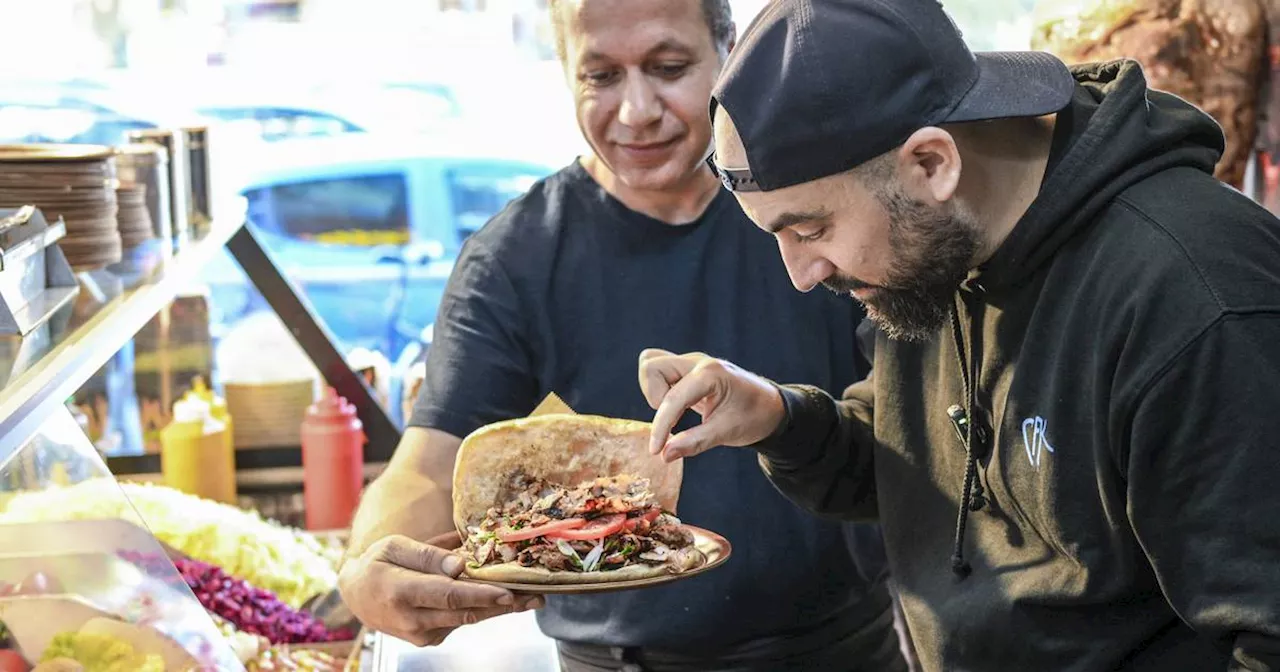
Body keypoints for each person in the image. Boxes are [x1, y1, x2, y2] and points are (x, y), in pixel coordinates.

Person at [637, 0, 1280, 670]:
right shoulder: (936, 246)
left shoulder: (1200, 303)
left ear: (933, 162)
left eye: (811, 229)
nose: (801, 273)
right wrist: (773, 416)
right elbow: (914, 468)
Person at [336, 0, 911, 670]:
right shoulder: (517, 259)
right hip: (614, 659)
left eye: (669, 67)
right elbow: (432, 461)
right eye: (600, 76)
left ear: (729, 53)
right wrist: (366, 568)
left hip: (843, 650)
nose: (637, 110)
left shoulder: (818, 212)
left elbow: (912, 427)